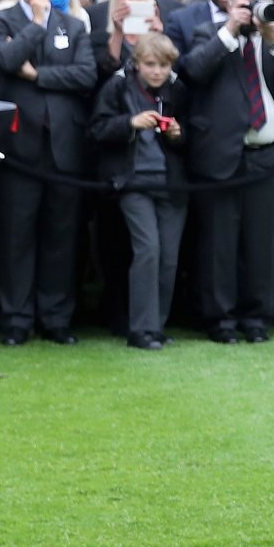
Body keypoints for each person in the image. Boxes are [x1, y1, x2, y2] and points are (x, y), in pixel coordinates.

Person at [0, 0, 99, 345]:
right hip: (18, 150)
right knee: (17, 238)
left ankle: (55, 319)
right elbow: (7, 61)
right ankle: (16, 320)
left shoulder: (75, 26)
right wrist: (34, 24)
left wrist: (37, 77)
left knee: (60, 238)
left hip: (64, 148)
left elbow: (85, 76)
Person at [178, 0, 274, 343]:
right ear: (226, 2)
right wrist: (230, 31)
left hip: (271, 158)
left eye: (258, 0)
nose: (252, 8)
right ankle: (221, 320)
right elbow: (193, 72)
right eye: (243, 2)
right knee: (219, 244)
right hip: (222, 156)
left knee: (265, 245)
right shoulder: (209, 34)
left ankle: (257, 319)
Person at [88, 32, 190, 350]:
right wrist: (130, 123)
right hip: (133, 182)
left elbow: (191, 138)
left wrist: (176, 133)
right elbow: (97, 129)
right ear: (137, 63)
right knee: (148, 250)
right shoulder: (117, 86)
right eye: (150, 65)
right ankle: (141, 329)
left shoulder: (178, 89)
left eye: (162, 66)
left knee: (169, 258)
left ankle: (157, 326)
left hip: (171, 183)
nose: (157, 72)